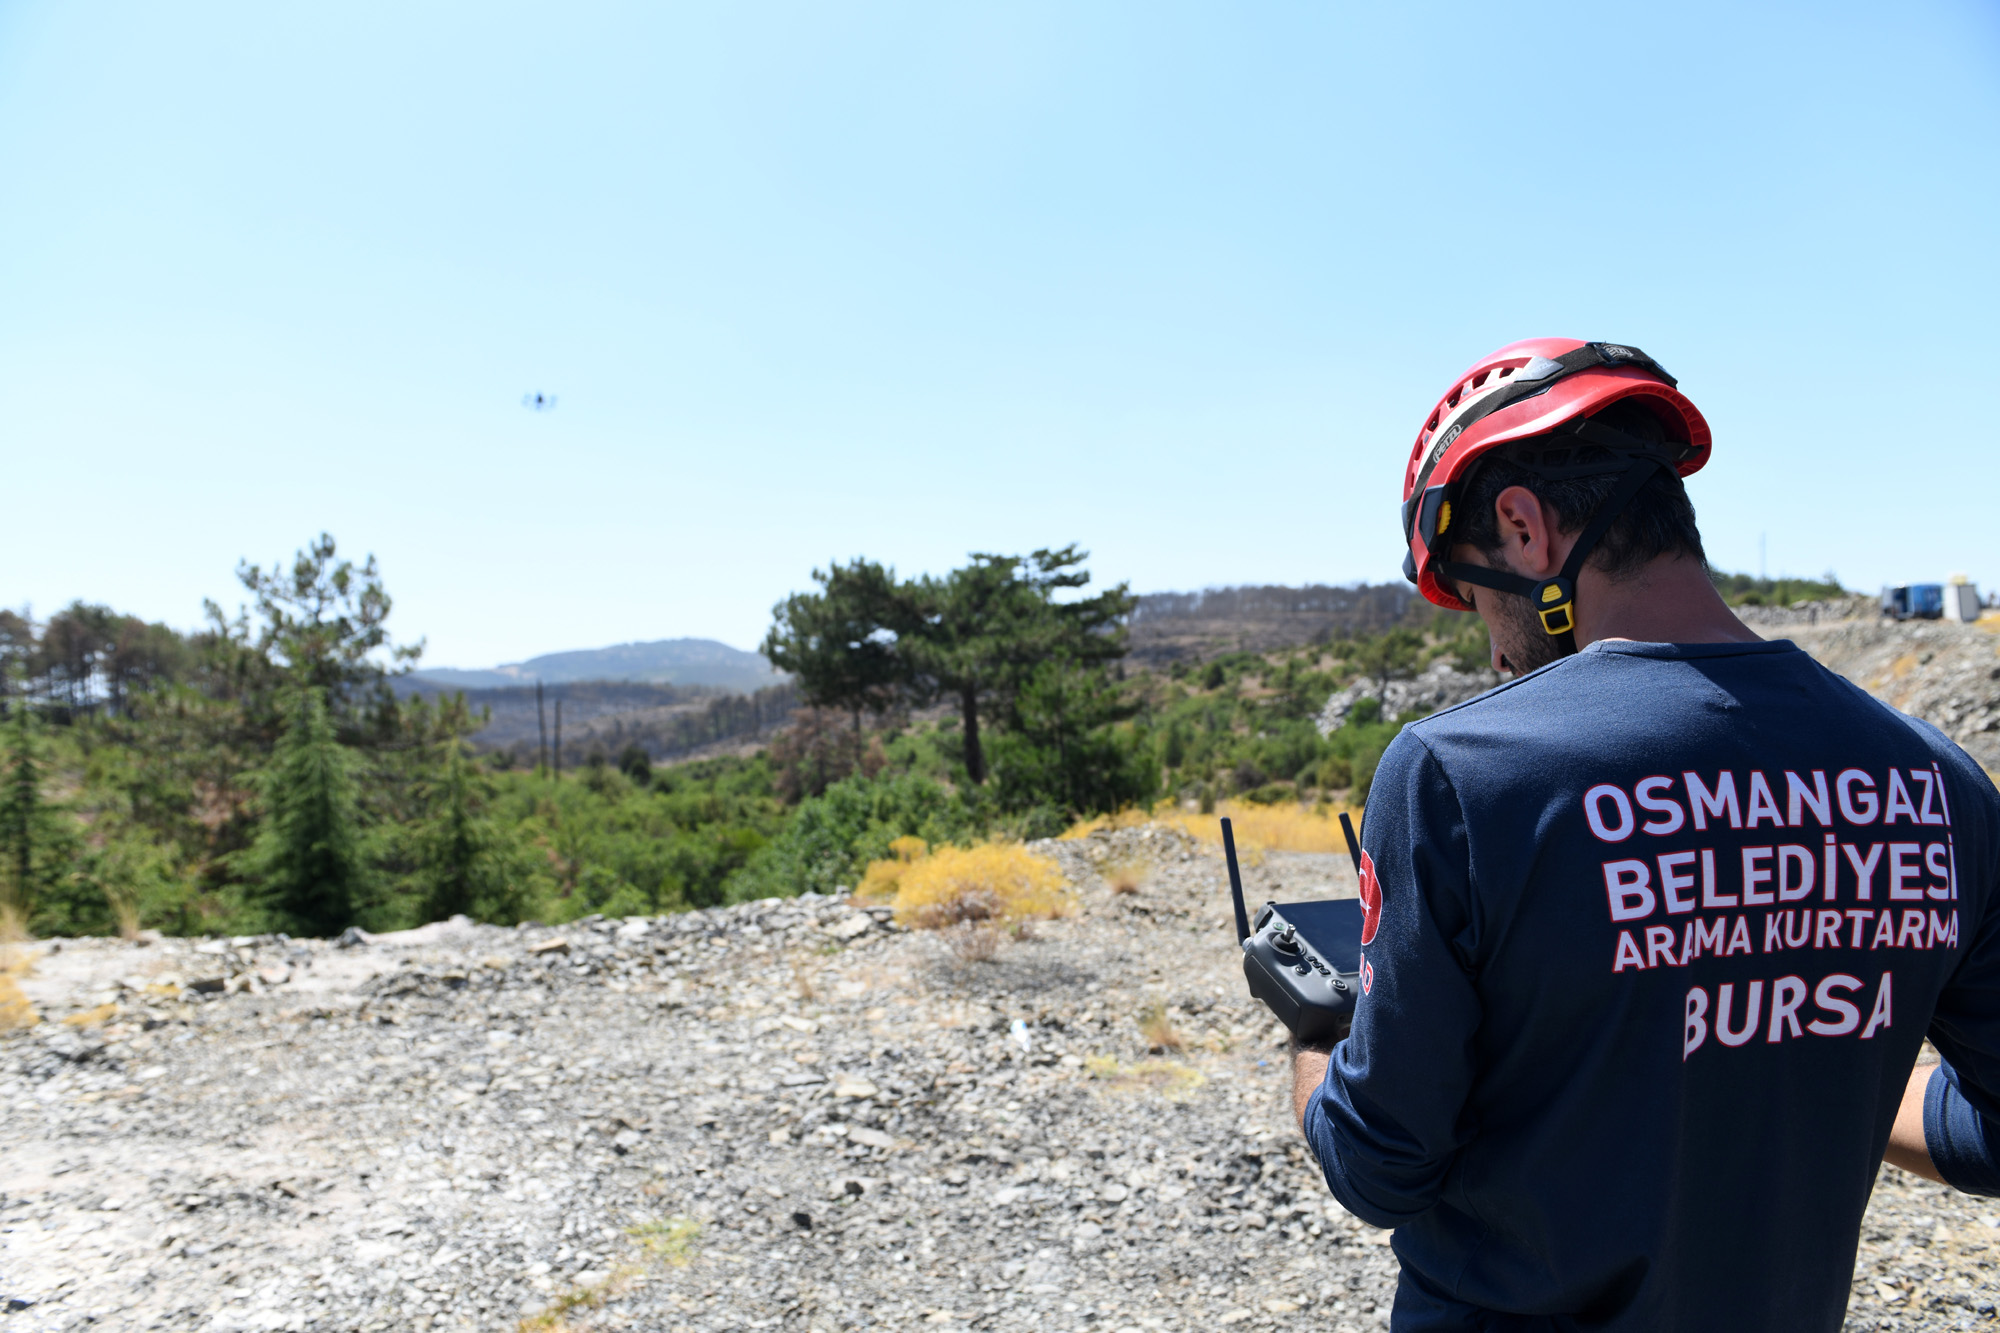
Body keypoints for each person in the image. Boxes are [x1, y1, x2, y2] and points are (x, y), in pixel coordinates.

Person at [1289, 338, 2000, 1331]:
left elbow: (1378, 1165)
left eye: (1478, 596)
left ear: (1523, 528)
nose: (1494, 648)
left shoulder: (1456, 771)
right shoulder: (1936, 781)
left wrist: (1315, 1043)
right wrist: (1816, 1057)